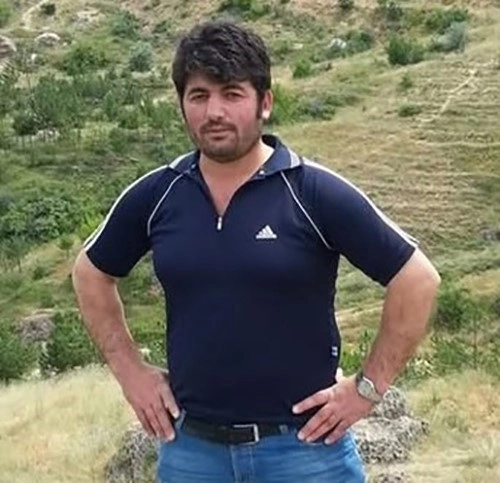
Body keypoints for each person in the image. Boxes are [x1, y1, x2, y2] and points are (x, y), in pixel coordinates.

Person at [72, 21, 441, 483]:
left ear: (265, 102)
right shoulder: (158, 195)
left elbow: (417, 280)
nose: (214, 112)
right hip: (192, 452)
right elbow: (90, 273)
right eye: (199, 95)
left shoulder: (311, 192)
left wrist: (367, 389)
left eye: (232, 94)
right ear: (182, 105)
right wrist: (130, 373)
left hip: (305, 451)